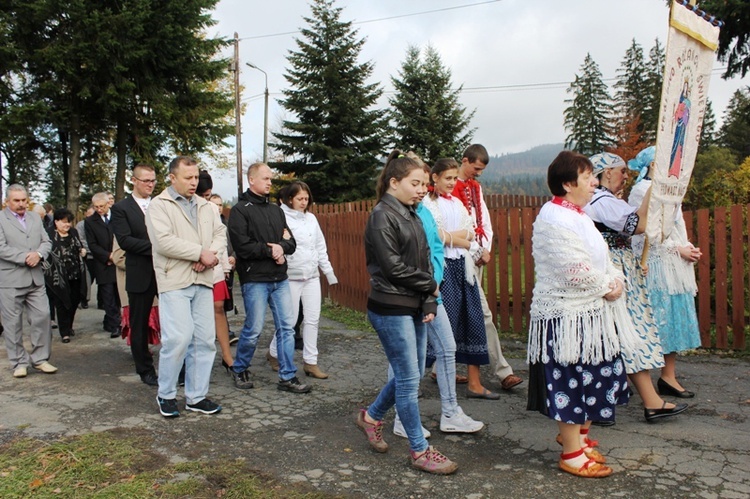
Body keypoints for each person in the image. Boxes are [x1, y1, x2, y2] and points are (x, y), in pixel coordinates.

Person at [527, 151, 631, 478]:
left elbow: (602, 257)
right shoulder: (554, 216)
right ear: (569, 183)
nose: (595, 183)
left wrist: (615, 279)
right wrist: (606, 285)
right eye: (589, 178)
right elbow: (572, 269)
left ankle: (580, 439)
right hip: (567, 316)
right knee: (571, 381)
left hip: (591, 312)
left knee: (597, 376)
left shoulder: (579, 214)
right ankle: (571, 453)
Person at [355, 151, 457, 475]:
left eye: (424, 184)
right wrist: (430, 285)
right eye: (416, 183)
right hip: (390, 307)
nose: (422, 189)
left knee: (406, 376)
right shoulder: (382, 215)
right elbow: (393, 268)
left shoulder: (413, 212)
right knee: (409, 379)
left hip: (415, 304)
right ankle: (419, 450)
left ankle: (370, 417)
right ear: (393, 182)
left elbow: (425, 257)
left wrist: (429, 298)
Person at [584, 152, 688, 423]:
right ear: (606, 173)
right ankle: (643, 402)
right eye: (621, 172)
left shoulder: (603, 201)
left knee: (616, 337)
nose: (626, 178)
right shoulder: (601, 200)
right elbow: (639, 225)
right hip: (610, 270)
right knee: (625, 333)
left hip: (617, 266)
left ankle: (612, 403)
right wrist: (654, 186)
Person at [146, 155, 226, 418]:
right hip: (175, 280)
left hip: (203, 279)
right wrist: (199, 253)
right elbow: (163, 242)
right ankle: (166, 394)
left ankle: (196, 396)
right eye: (188, 178)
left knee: (204, 340)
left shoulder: (206, 206)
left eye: (196, 177)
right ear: (172, 178)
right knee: (178, 338)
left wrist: (210, 255)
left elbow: (220, 234)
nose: (194, 183)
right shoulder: (159, 205)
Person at [228, 162, 311, 394]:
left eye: (270, 179)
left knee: (286, 327)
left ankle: (287, 376)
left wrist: (281, 246)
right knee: (253, 328)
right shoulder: (240, 211)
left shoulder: (276, 211)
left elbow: (291, 242)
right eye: (265, 178)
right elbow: (242, 247)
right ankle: (240, 368)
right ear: (251, 180)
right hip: (254, 279)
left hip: (279, 278)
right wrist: (271, 249)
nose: (269, 183)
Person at [628, 146, 700, 398]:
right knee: (654, 318)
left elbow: (675, 225)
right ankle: (642, 379)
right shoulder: (640, 191)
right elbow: (647, 229)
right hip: (655, 264)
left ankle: (668, 376)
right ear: (652, 166)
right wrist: (677, 248)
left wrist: (687, 247)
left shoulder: (671, 190)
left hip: (673, 266)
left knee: (671, 317)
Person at [423, 158, 497, 400]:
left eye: (455, 178)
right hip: (443, 268)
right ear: (435, 178)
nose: (452, 183)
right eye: (448, 178)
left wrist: (455, 238)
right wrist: (460, 240)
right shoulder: (427, 204)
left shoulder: (457, 203)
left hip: (463, 268)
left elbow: (469, 230)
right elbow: (434, 235)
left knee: (472, 320)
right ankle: (415, 379)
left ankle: (475, 383)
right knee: (445, 325)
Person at [452, 144, 523, 391]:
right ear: (465, 160)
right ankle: (503, 371)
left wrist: (485, 248)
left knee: (460, 312)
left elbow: (484, 222)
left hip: (475, 256)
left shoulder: (475, 188)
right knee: (480, 315)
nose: (479, 173)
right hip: (456, 257)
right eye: (476, 168)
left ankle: (441, 368)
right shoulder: (449, 186)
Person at [267, 181, 338, 379]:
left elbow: (319, 246)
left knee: (313, 319)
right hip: (291, 276)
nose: (303, 202)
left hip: (312, 275)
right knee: (289, 321)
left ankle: (310, 362)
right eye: (299, 199)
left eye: (306, 199)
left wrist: (328, 272)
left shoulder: (312, 218)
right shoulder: (281, 217)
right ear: (290, 199)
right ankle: (274, 353)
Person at [0, 184, 57, 378]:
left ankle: (40, 359)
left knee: (43, 316)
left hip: (36, 278)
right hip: (11, 279)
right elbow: (1, 247)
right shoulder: (1, 219)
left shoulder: (34, 217)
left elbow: (47, 241)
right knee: (13, 323)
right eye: (16, 200)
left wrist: (39, 254)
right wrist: (26, 257)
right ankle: (19, 362)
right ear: (7, 201)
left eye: (24, 200)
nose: (21, 204)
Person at [110, 164, 159, 387]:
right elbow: (125, 241)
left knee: (174, 321)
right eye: (146, 180)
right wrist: (159, 247)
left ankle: (178, 367)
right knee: (139, 324)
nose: (150, 185)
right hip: (140, 272)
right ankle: (145, 369)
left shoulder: (160, 205)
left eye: (153, 181)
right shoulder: (122, 208)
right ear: (134, 180)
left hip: (166, 271)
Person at [195, 171, 235, 373]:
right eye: (201, 195)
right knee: (196, 315)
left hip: (214, 266)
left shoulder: (211, 209)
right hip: (192, 266)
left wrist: (224, 267)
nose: (205, 200)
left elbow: (221, 237)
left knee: (218, 308)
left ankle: (227, 357)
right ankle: (194, 360)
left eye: (208, 196)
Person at [44, 208, 86, 343]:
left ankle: (69, 325)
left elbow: (79, 245)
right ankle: (64, 332)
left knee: (74, 302)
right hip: (57, 276)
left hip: (75, 273)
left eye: (68, 222)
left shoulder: (73, 232)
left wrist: (82, 250)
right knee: (61, 303)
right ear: (56, 221)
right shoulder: (49, 234)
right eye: (63, 222)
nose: (66, 225)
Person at [85, 192, 121, 338]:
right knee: (108, 296)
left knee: (118, 295)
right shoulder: (90, 221)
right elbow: (92, 244)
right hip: (103, 263)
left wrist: (117, 255)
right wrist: (108, 255)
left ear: (108, 204)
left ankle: (113, 320)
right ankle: (115, 325)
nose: (99, 209)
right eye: (96, 207)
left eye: (102, 206)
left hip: (119, 262)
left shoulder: (118, 216)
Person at [75, 206, 95, 309]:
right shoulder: (81, 225)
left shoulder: (97, 224)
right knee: (87, 279)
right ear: (86, 214)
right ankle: (83, 299)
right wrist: (92, 249)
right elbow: (81, 239)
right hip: (87, 255)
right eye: (90, 214)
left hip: (97, 255)